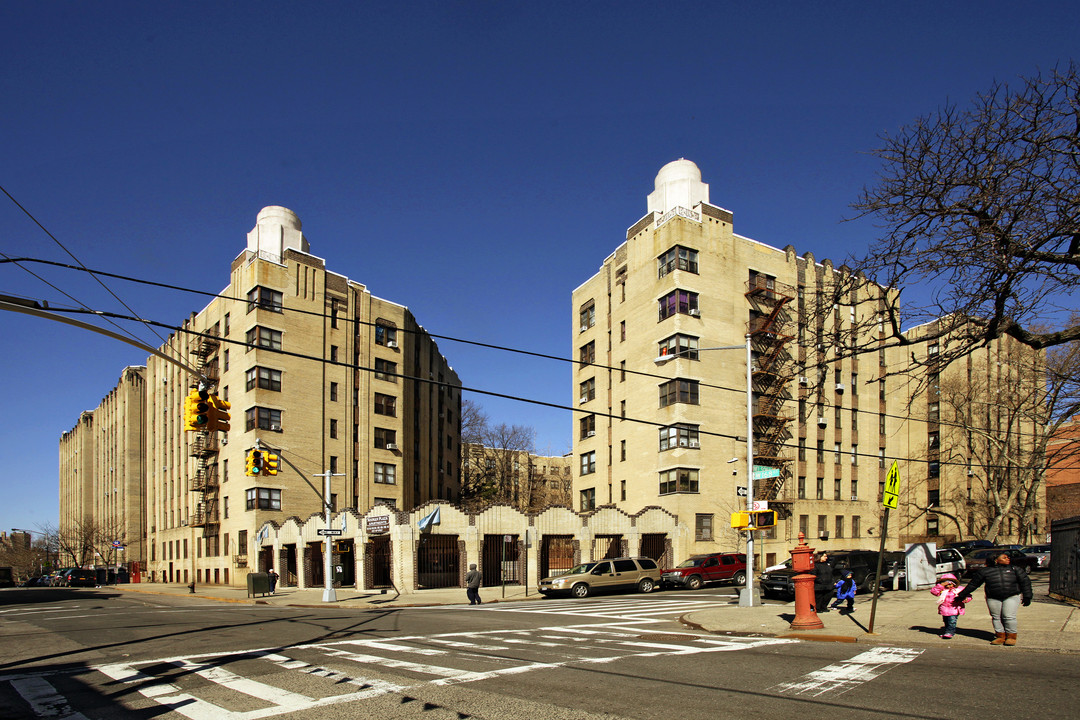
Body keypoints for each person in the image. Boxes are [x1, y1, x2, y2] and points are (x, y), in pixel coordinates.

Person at [955, 552, 1033, 645]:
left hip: (1012, 596)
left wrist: (1027, 596)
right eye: (1004, 557)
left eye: (1008, 557)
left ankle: (1011, 636)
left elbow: (1025, 582)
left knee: (1008, 616)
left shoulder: (1015, 569)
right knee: (996, 617)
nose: (1008, 559)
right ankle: (1000, 636)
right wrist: (962, 594)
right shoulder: (985, 571)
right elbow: (973, 584)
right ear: (996, 560)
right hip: (993, 597)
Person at [929, 572, 970, 639]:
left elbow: (967, 595)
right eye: (946, 585)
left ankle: (950, 632)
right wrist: (940, 586)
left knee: (952, 621)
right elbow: (934, 592)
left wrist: (966, 599)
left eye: (950, 584)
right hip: (944, 609)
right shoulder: (943, 590)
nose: (949, 586)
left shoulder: (958, 589)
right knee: (946, 621)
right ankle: (947, 631)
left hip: (954, 608)